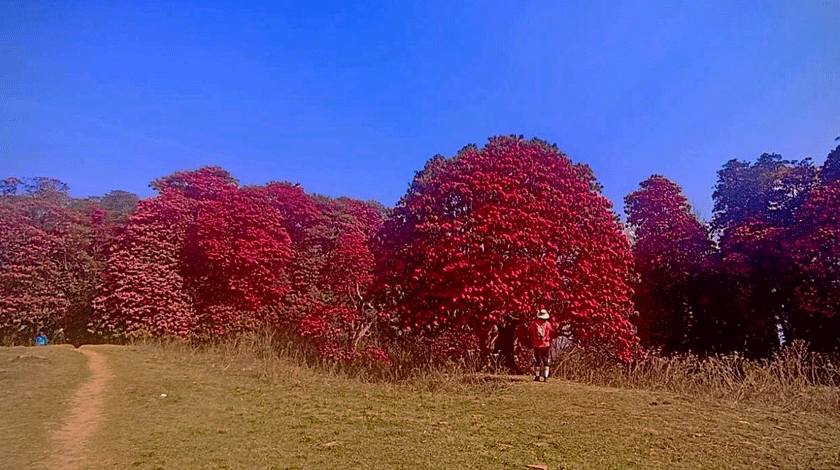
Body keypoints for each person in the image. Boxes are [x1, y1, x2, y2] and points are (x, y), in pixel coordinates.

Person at [529, 309, 558, 382]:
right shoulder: (548, 324)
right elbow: (551, 332)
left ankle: (537, 376)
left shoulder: (534, 324)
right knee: (546, 360)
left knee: (537, 361)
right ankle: (546, 377)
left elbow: (531, 332)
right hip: (546, 344)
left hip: (536, 344)